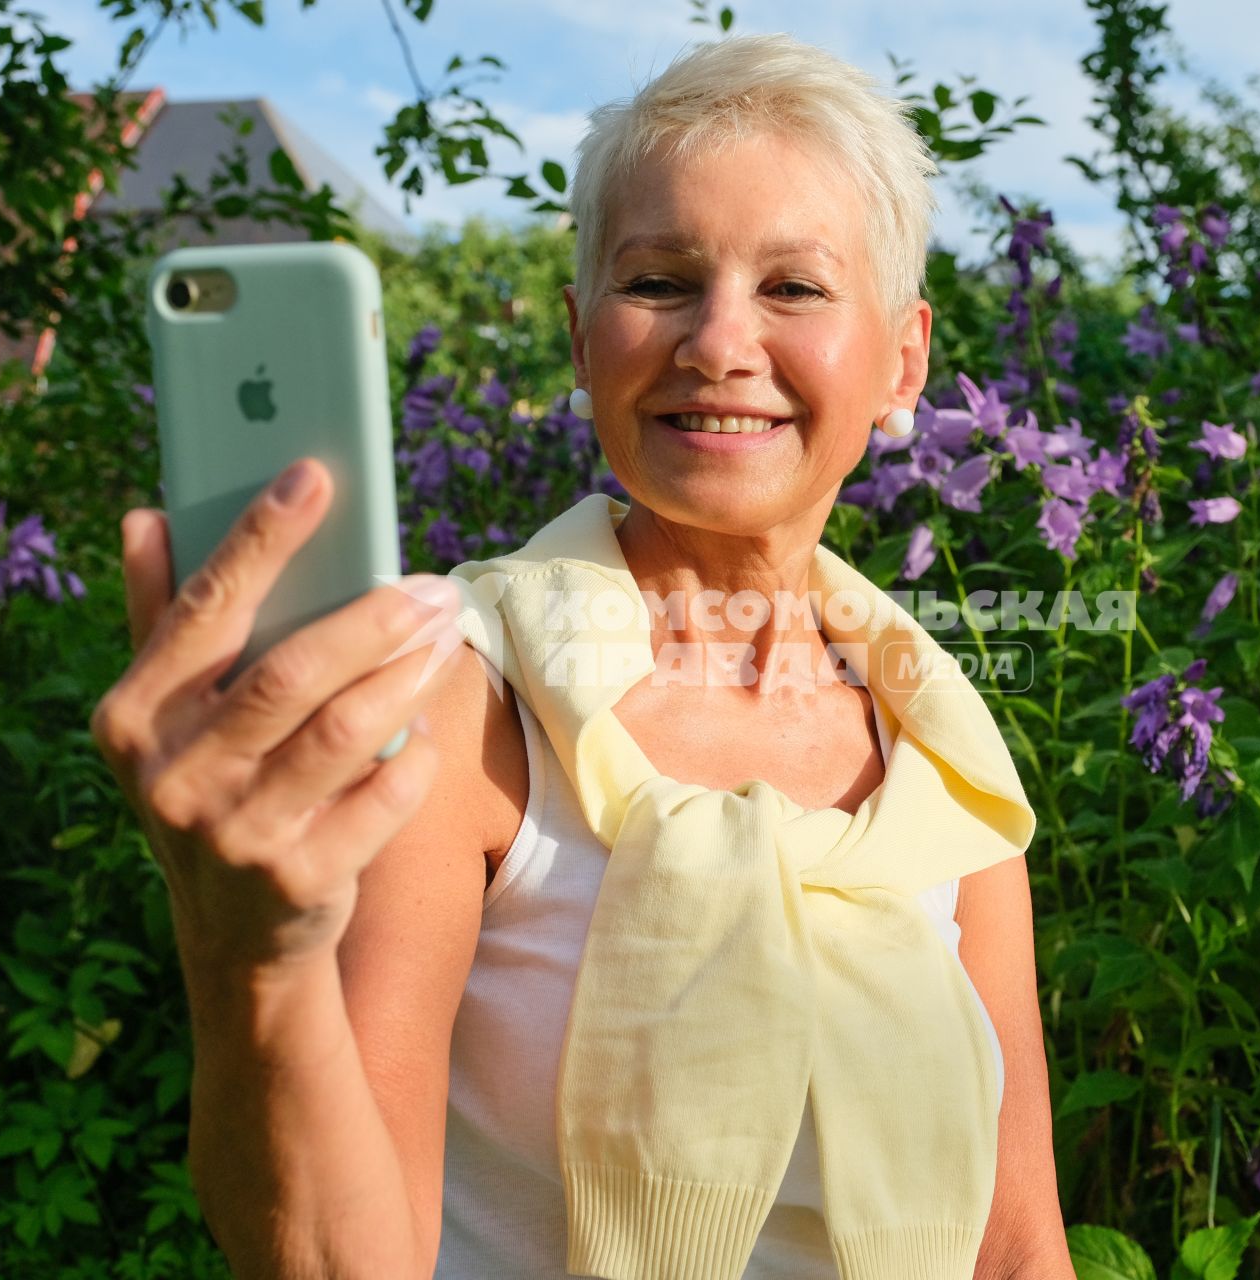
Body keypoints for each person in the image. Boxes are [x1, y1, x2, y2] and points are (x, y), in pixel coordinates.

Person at [91, 30, 1077, 1280]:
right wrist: (246, 952)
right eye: (660, 280)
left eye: (794, 287)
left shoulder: (940, 745)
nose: (719, 341)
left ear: (904, 359)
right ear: (580, 335)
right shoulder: (462, 692)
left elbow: (1019, 1244)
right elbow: (338, 1259)